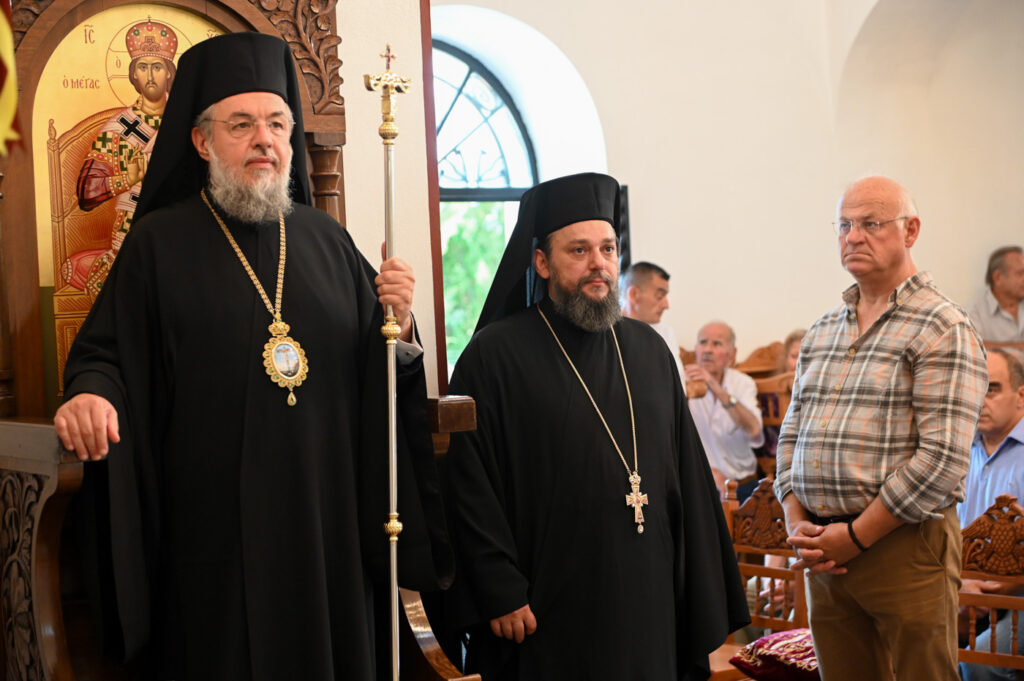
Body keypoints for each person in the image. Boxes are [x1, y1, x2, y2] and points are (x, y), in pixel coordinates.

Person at [53, 33, 450, 680]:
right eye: (241, 125)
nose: (265, 140)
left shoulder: (326, 239)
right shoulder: (158, 245)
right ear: (201, 141)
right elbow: (107, 353)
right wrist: (91, 393)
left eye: (277, 124)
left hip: (327, 526)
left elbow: (376, 376)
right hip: (214, 537)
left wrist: (398, 325)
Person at [444, 173, 748, 681]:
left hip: (648, 601)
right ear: (542, 262)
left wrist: (696, 590)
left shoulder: (649, 351)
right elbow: (467, 482)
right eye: (579, 250)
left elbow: (686, 480)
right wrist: (498, 587)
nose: (598, 264)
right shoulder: (494, 355)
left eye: (607, 249)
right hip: (547, 608)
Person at [775, 176, 987, 681]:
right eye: (844, 225)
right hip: (823, 546)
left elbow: (941, 460)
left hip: (903, 545)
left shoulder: (941, 326)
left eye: (871, 223)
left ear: (910, 230)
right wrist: (795, 519)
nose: (853, 236)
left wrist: (855, 536)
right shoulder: (824, 329)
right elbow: (791, 434)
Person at [69, 19, 178, 298]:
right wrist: (126, 179)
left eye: (157, 67)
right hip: (132, 223)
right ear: (133, 75)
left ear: (169, 73)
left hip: (180, 222)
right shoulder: (118, 128)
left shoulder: (184, 122)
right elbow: (86, 192)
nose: (150, 75)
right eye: (143, 67)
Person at [958, 348, 1024, 681]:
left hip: (1021, 597)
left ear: (1021, 396)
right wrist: (958, 585)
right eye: (973, 388)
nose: (979, 400)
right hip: (960, 589)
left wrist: (992, 589)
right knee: (899, 638)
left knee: (980, 662)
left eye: (992, 389)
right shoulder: (955, 452)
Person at [684, 321, 765, 500]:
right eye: (703, 342)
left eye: (717, 343)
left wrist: (715, 387)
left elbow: (754, 429)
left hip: (745, 485)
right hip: (702, 486)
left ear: (732, 354)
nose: (708, 349)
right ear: (696, 349)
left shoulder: (743, 383)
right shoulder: (683, 383)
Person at [619, 260, 686, 390]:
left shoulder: (665, 333)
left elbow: (679, 387)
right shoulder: (606, 332)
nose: (666, 305)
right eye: (660, 296)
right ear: (634, 294)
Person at [967, 246, 1024, 343]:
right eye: (1020, 273)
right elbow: (973, 346)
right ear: (997, 277)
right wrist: (1018, 348)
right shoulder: (974, 313)